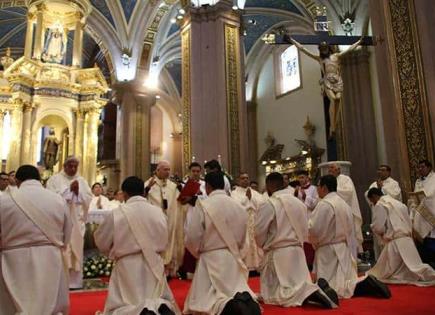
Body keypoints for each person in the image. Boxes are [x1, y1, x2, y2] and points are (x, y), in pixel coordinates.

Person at [94, 176, 179, 315]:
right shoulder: (158, 212)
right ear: (143, 192)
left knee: (125, 303)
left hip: (127, 266)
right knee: (154, 295)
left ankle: (141, 311)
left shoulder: (117, 214)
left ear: (125, 194)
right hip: (154, 263)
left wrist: (112, 253)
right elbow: (165, 240)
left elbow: (101, 241)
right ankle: (156, 307)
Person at [255, 172, 338, 308]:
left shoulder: (270, 204)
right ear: (283, 184)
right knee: (298, 283)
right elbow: (306, 227)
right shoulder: (299, 203)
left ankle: (308, 292)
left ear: (269, 186)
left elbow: (259, 231)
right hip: (298, 252)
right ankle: (310, 290)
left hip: (278, 253)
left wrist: (264, 245)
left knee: (279, 294)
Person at [184, 172, 260, 315]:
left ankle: (227, 305)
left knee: (207, 299)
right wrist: (238, 253)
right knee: (234, 289)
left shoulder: (203, 205)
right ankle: (242, 301)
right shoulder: (238, 205)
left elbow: (192, 236)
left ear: (207, 186)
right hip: (232, 258)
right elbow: (245, 236)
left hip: (210, 258)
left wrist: (198, 252)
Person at [0, 165, 72, 314]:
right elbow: (67, 231)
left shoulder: (4, 201)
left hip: (13, 260)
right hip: (50, 257)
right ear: (39, 179)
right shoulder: (57, 199)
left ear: (17, 181)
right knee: (49, 305)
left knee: (16, 305)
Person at [309, 175, 391, 299]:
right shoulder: (344, 204)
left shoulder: (324, 204)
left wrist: (310, 237)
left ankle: (363, 284)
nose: (317, 190)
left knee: (332, 287)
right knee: (342, 282)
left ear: (324, 188)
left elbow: (315, 229)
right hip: (342, 247)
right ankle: (363, 283)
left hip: (328, 250)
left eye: (318, 187)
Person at [290, 37, 362, 138]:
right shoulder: (320, 59)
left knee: (338, 100)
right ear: (321, 50)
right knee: (333, 99)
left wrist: (359, 42)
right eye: (322, 49)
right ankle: (332, 127)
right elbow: (303, 49)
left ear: (328, 48)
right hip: (327, 81)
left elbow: (349, 49)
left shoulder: (336, 56)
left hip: (337, 80)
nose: (324, 51)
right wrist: (292, 41)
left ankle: (334, 125)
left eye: (325, 49)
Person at [367, 188, 435, 285]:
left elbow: (378, 227)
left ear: (374, 196)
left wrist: (373, 228)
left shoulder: (380, 204)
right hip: (407, 240)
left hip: (396, 242)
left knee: (382, 272)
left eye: (372, 201)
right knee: (414, 267)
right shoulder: (399, 204)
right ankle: (429, 273)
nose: (373, 204)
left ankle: (431, 274)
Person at [46, 155, 93, 289]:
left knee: (76, 247)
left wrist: (78, 193)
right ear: (64, 166)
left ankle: (75, 282)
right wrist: (68, 191)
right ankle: (61, 281)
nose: (73, 169)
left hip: (77, 221)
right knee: (63, 249)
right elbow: (51, 198)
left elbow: (88, 198)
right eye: (70, 166)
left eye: (75, 166)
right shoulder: (54, 180)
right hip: (61, 220)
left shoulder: (82, 181)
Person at [145, 160, 183, 277]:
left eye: (168, 169)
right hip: (155, 221)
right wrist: (147, 189)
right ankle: (156, 268)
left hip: (170, 219)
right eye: (165, 169)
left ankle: (170, 268)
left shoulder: (173, 186)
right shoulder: (149, 184)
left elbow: (181, 202)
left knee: (170, 242)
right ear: (157, 170)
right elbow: (142, 198)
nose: (167, 172)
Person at [365, 165, 402, 259]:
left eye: (383, 170)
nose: (380, 172)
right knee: (379, 241)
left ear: (389, 172)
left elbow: (395, 196)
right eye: (379, 170)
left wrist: (382, 189)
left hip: (390, 217)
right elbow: (368, 195)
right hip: (378, 215)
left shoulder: (393, 183)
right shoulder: (374, 184)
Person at [328, 163, 363, 258]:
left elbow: (348, 192)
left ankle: (352, 257)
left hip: (346, 211)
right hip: (334, 212)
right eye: (329, 169)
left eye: (332, 168)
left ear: (339, 170)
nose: (330, 170)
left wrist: (332, 191)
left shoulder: (345, 179)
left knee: (349, 235)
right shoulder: (329, 181)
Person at [232, 172, 265, 271]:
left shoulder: (254, 192)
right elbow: (235, 207)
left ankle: (257, 265)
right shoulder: (234, 193)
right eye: (242, 178)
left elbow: (262, 203)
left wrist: (251, 199)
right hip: (243, 223)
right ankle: (246, 265)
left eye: (247, 178)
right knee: (245, 242)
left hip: (254, 221)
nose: (245, 180)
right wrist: (247, 199)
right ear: (238, 180)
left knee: (255, 242)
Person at [178, 162, 205, 280]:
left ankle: (201, 269)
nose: (195, 173)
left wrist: (196, 197)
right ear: (189, 172)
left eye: (198, 171)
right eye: (193, 171)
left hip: (201, 216)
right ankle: (188, 270)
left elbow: (207, 198)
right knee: (188, 238)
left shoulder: (204, 184)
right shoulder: (184, 184)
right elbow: (181, 200)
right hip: (187, 214)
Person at [411, 159, 435, 268]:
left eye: (423, 167)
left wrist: (425, 200)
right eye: (419, 167)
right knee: (424, 244)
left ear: (429, 168)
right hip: (420, 213)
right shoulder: (418, 182)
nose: (420, 169)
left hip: (431, 212)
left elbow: (431, 196)